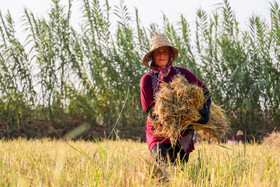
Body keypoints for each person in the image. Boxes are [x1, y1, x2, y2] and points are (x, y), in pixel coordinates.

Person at [140, 33, 211, 164]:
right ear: (152, 57)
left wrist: (205, 111)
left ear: (170, 55)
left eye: (165, 52)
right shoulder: (147, 79)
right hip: (158, 131)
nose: (162, 55)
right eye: (158, 52)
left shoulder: (182, 73)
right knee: (162, 164)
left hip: (183, 131)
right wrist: (169, 120)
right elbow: (149, 110)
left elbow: (204, 91)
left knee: (180, 167)